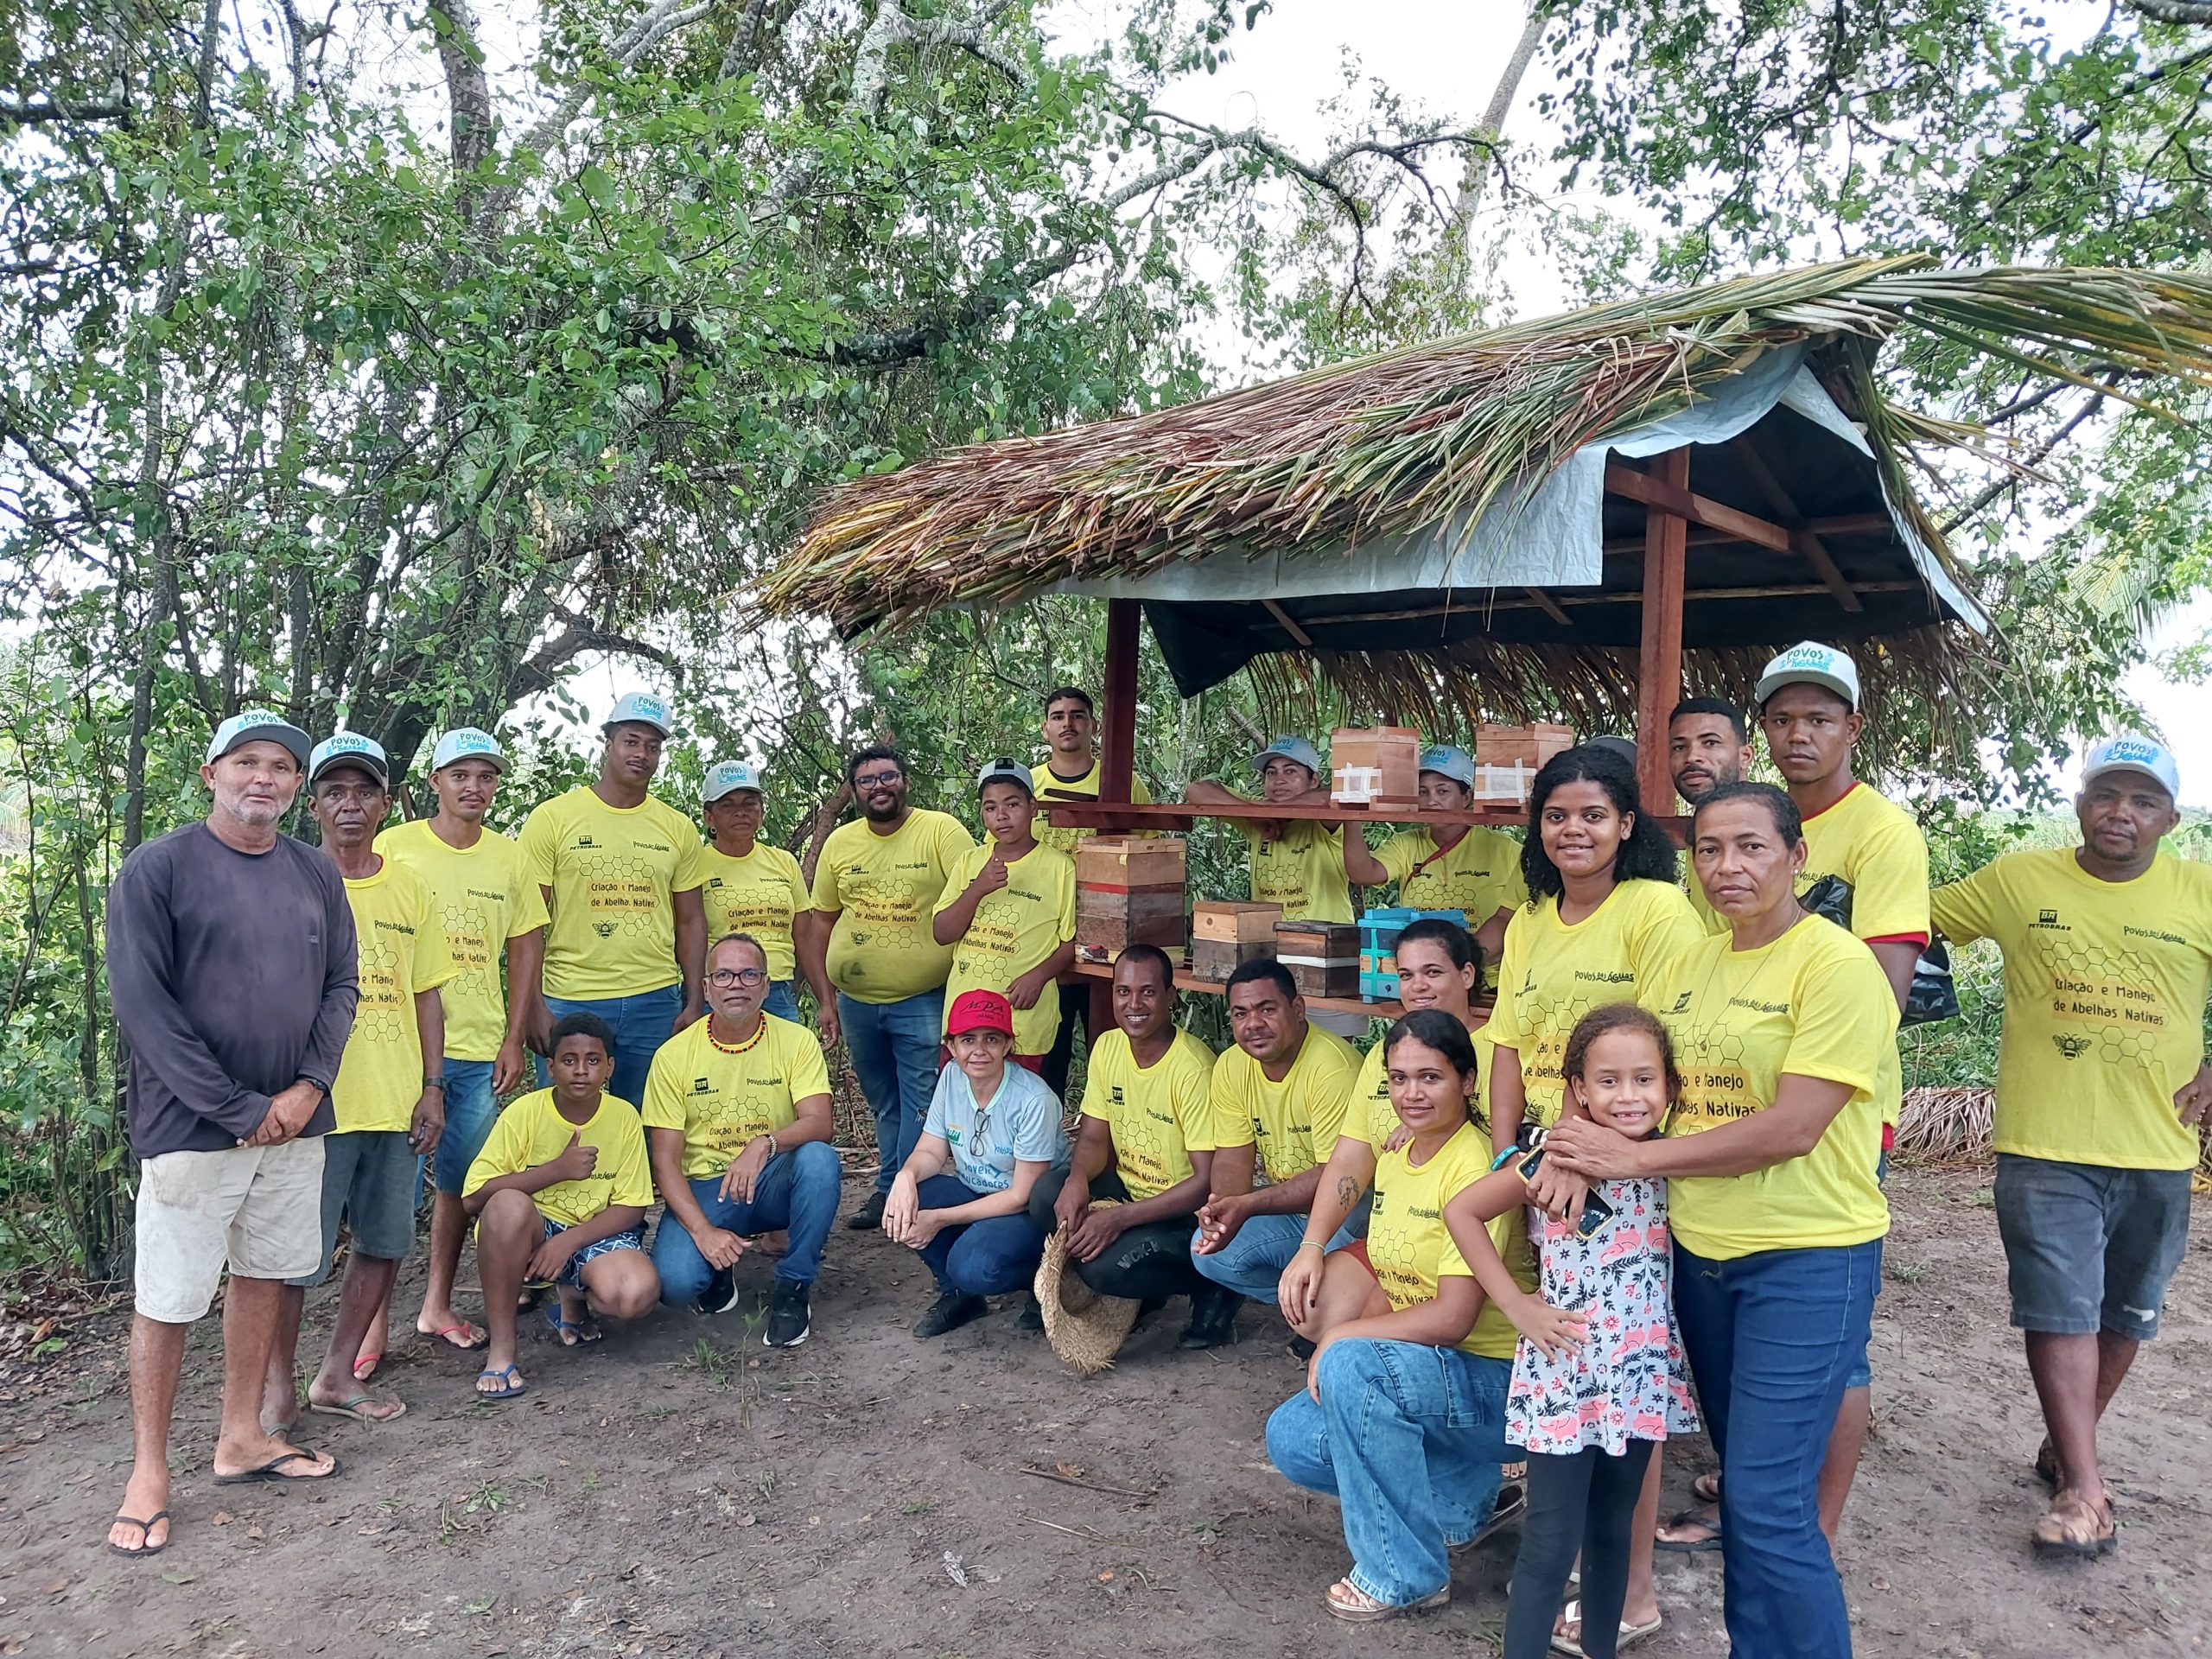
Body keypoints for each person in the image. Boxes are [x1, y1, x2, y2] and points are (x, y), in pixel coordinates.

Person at [1546, 781, 1896, 1659]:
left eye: (1750, 847)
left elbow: (1794, 1126)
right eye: (1708, 849)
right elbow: (1614, 1064)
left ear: (1795, 856)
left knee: (1771, 1503)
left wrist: (1634, 1161)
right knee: (1749, 1497)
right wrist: (1569, 1144)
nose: (1727, 867)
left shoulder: (1835, 966)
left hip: (1808, 1258)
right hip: (1699, 1258)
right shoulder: (1688, 962)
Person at [1929, 734, 2209, 1557]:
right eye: (2107, 795)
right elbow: (1910, 920)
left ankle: (2065, 1446)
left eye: (2143, 800)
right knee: (2058, 1309)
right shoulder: (2020, 881)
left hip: (2159, 1146)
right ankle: (2086, 1491)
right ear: (2080, 802)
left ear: (2170, 818)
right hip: (2044, 1143)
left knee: (2125, 1312)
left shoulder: (2197, 892)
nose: (2122, 813)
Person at [102, 710, 356, 1556]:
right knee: (169, 1299)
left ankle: (242, 1435)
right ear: (210, 773)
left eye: (281, 766)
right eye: (246, 762)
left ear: (295, 785)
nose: (264, 778)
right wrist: (240, 1108)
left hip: (294, 1123)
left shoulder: (315, 874)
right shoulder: (158, 869)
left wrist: (308, 1086)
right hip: (191, 1129)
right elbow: (146, 1009)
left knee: (265, 1274)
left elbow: (341, 988)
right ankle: (148, 1471)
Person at [1686, 643, 1922, 1554]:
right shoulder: (1733, 825)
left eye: (1818, 717)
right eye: (1782, 718)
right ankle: (1758, 1488)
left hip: (1835, 1100)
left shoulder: (1883, 833)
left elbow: (1884, 990)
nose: (1798, 734)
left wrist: (1801, 1093)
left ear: (1851, 727)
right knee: (1745, 1302)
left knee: (1827, 1333)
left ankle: (1806, 1526)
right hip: (1731, 1091)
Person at [1262, 1012, 1532, 1621]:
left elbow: (1455, 1315)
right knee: (1295, 1437)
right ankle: (1463, 1503)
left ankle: (1402, 1572)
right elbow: (1397, 1283)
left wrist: (1341, 1342)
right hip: (1437, 1377)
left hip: (1499, 1386)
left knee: (1352, 1365)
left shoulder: (1475, 1166)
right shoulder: (1400, 1156)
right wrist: (1344, 1349)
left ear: (1468, 1080)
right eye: (1399, 1079)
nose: (1412, 1093)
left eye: (1430, 1077)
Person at [1447, 1004, 1696, 1659]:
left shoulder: (1674, 1162)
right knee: (1552, 1543)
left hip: (1639, 1374)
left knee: (1614, 1530)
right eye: (1607, 1081)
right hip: (1566, 1373)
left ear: (1669, 1086)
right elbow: (1463, 1211)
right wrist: (1518, 1305)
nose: (1628, 1095)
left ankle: (1601, 1648)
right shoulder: (1553, 1160)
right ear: (1578, 1091)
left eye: (1644, 1079)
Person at [265, 734, 454, 1433]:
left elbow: (427, 993)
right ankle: (275, 1389)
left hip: (395, 1097)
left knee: (383, 1242)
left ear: (385, 803)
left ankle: (337, 1374)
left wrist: (433, 1086)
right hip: (314, 1103)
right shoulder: (285, 877)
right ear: (311, 803)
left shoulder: (408, 885)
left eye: (364, 791)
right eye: (335, 791)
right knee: (290, 1259)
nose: (350, 805)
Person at [360, 726, 547, 1375]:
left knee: (461, 1189)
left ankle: (436, 1305)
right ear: (434, 783)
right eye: (461, 775)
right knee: (389, 1192)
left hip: (478, 1050)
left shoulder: (511, 858)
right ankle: (370, 1327)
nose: (474, 787)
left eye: (487, 776)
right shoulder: (395, 847)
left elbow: (525, 949)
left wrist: (514, 1037)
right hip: (402, 1054)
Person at [1482, 746, 1703, 1155]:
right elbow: (1509, 1048)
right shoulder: (1528, 920)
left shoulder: (1658, 910)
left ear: (1625, 825)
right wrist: (1504, 1156)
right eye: (1556, 817)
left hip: (1623, 1146)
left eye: (1594, 816)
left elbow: (1661, 1048)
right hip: (1535, 1144)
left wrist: (1575, 1151)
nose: (1572, 829)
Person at [1026, 944, 1240, 1350]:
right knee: (1045, 1195)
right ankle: (1145, 1282)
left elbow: (1204, 1183)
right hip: (1128, 1189)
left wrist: (1121, 1219)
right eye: (1123, 992)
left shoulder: (1192, 1068)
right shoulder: (1108, 1047)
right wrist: (1076, 1179)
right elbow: (1092, 1137)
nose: (1134, 1004)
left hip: (1185, 1214)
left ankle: (1214, 1285)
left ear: (1171, 997)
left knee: (1106, 1271)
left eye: (1147, 992)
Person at [645, 932, 838, 1347]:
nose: (737, 984)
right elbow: (664, 1162)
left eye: (750, 974)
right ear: (706, 987)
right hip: (708, 1191)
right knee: (676, 1284)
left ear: (767, 986)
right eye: (725, 975)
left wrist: (763, 1144)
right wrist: (702, 1232)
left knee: (820, 1160)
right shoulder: (674, 1056)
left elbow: (820, 1123)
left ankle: (793, 1289)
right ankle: (717, 1264)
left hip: (770, 1179)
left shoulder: (796, 1040)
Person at [811, 744, 976, 1230]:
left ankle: (907, 1196)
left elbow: (973, 896)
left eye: (888, 776)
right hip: (857, 1002)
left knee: (921, 1101)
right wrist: (825, 997)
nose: (879, 786)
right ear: (854, 791)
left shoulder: (940, 831)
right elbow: (821, 922)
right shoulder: (841, 844)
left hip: (922, 998)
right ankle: (890, 1190)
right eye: (867, 780)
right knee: (884, 1101)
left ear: (904, 780)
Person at [518, 692, 707, 1111]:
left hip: (654, 999)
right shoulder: (554, 818)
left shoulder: (677, 828)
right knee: (560, 1119)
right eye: (632, 741)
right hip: (570, 995)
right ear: (608, 742)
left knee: (649, 1119)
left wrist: (694, 1000)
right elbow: (527, 924)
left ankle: (637, 1182)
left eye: (653, 747)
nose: (642, 754)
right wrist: (533, 1006)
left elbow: (691, 920)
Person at [462, 1013, 659, 1397]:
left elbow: (632, 1207)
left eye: (593, 1061)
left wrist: (568, 1243)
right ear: (550, 1067)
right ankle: (502, 1353)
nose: (581, 1071)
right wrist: (556, 1170)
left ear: (609, 1067)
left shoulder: (624, 1117)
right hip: (534, 1230)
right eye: (569, 1061)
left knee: (634, 1294)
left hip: (591, 1233)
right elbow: (474, 1197)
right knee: (506, 1205)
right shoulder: (525, 1113)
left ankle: (572, 1298)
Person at [883, 989, 1069, 1337]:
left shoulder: (1034, 1100)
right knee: (908, 1204)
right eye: (967, 1039)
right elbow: (931, 1151)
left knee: (975, 1266)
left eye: (992, 1039)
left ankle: (1048, 1278)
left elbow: (1020, 1196)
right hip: (977, 1193)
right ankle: (960, 1295)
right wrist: (905, 1178)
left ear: (1009, 1045)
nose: (979, 1051)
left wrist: (938, 1219)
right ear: (951, 1046)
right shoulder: (953, 1076)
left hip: (1029, 1212)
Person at [1191, 959, 1361, 1320]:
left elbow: (1337, 1175)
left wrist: (1249, 1206)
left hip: (1348, 1212)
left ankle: (1341, 1307)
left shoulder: (1332, 1068)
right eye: (1240, 1014)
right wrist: (1221, 1210)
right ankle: (1306, 1305)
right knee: (1208, 1250)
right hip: (1291, 1212)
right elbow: (1233, 1158)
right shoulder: (1231, 1066)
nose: (1253, 1024)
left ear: (1297, 1009)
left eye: (1266, 1009)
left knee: (1345, 1243)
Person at [1189, 734, 1366, 1038]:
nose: (1279, 780)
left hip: (1328, 961)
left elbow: (1332, 796)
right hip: (1273, 962)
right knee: (1276, 1053)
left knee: (1335, 1057)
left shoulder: (1326, 823)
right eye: (1271, 773)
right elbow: (1197, 789)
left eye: (1290, 771)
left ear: (1314, 779)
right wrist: (1256, 816)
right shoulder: (1257, 819)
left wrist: (1271, 814)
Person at [1031, 685, 1154, 1098]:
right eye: (1059, 716)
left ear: (1094, 726)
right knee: (1048, 1057)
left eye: (1078, 715)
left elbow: (1151, 857)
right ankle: (1043, 1153)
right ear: (1046, 728)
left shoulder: (1121, 783)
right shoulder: (1029, 788)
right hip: (1047, 945)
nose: (1068, 723)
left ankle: (1113, 1149)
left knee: (1113, 1052)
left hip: (1113, 944)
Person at [932, 760, 1078, 1067]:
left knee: (1020, 1110)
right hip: (965, 1016)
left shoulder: (1060, 868)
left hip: (1022, 1015)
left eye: (1012, 804)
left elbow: (1071, 944)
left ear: (1032, 806)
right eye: (990, 807)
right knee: (961, 1112)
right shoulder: (969, 863)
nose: (1001, 815)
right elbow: (942, 933)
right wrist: (977, 889)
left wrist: (1039, 977)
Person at [1354, 746, 1526, 978]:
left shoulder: (1505, 850)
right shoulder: (1407, 844)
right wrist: (1350, 816)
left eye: (1442, 791)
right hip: (1420, 979)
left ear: (1466, 797)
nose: (1431, 801)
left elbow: (1513, 919)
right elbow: (1364, 874)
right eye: (1423, 792)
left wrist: (1460, 969)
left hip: (1486, 981)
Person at [695, 760, 835, 1027]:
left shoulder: (783, 862)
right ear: (709, 817)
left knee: (781, 1068)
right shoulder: (694, 866)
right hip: (719, 994)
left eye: (749, 804)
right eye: (728, 805)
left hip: (777, 992)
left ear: (761, 811)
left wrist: (825, 1001)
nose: (740, 813)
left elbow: (805, 937)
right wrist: (692, 1001)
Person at [1669, 696, 1755, 935]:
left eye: (1710, 743)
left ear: (1745, 756)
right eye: (1679, 747)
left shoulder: (1771, 829)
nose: (1692, 757)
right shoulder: (1701, 825)